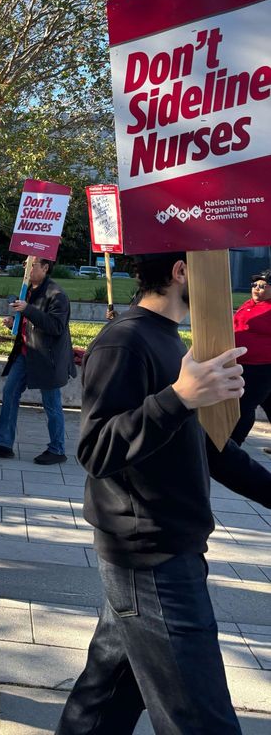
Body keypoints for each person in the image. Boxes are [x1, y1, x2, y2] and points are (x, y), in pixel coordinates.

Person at [56, 252, 271, 735]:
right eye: (214, 268)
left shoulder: (173, 341)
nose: (224, 282)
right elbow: (95, 450)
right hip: (150, 558)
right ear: (180, 270)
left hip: (167, 549)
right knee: (202, 720)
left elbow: (209, 448)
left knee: (103, 701)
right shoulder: (124, 342)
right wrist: (179, 397)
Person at [0, 256, 74, 464]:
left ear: (45, 268)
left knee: (52, 403)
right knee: (10, 391)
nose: (26, 268)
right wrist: (14, 322)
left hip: (48, 359)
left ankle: (57, 449)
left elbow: (55, 326)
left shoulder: (56, 295)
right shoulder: (27, 290)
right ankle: (3, 443)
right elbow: (30, 323)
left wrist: (27, 310)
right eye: (25, 264)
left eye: (32, 265)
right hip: (25, 354)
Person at [230, 269, 271, 448]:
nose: (256, 289)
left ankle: (231, 446)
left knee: (245, 406)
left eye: (262, 286)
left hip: (261, 368)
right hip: (242, 364)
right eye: (254, 285)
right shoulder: (248, 304)